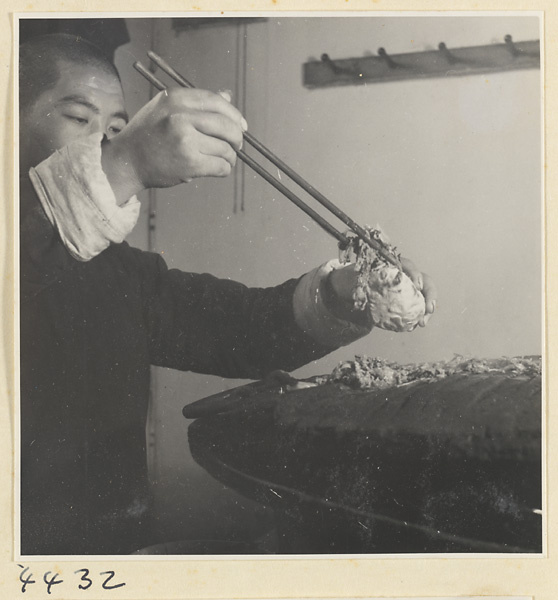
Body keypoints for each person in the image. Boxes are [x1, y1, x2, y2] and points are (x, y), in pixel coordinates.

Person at [19, 33, 437, 555]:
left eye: (117, 130)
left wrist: (346, 291)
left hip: (106, 554)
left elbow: (239, 327)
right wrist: (127, 161)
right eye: (79, 119)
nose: (102, 143)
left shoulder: (123, 275)